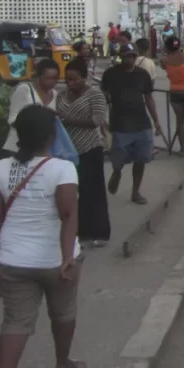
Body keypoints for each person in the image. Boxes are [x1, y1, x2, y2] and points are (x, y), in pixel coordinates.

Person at [0, 104, 86, 368]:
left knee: (14, 323)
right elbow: (69, 215)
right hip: (54, 261)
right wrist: (67, 255)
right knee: (63, 314)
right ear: (51, 135)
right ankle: (61, 367)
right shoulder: (62, 169)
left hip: (12, 260)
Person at [57, 58, 111, 248]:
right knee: (73, 193)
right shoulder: (62, 95)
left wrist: (67, 119)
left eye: (74, 79)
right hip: (67, 152)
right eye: (67, 79)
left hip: (89, 148)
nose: (70, 83)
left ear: (84, 78)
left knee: (93, 192)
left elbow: (97, 120)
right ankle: (80, 230)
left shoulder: (95, 95)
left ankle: (99, 232)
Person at [101, 45, 163, 205]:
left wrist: (156, 120)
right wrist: (102, 119)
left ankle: (136, 192)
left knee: (141, 158)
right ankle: (117, 172)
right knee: (118, 158)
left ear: (135, 57)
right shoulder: (111, 74)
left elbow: (149, 98)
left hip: (141, 122)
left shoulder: (142, 75)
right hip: (120, 123)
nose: (129, 59)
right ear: (120, 56)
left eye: (132, 56)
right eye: (126, 56)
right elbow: (104, 97)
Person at [2, 58, 60, 158]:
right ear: (38, 76)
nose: (52, 82)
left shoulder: (55, 94)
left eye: (55, 78)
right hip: (17, 148)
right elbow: (12, 118)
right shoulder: (24, 90)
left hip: (40, 152)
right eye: (48, 78)